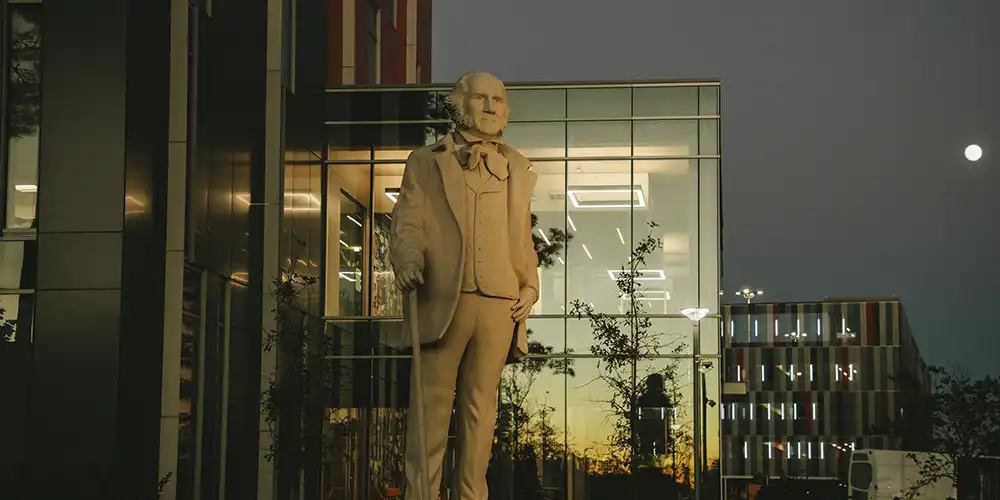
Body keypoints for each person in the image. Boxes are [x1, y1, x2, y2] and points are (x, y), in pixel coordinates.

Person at [390, 71, 539, 500]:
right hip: (442, 296)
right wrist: (408, 259)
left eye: (498, 99)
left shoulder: (516, 165)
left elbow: (521, 236)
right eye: (481, 97)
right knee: (431, 410)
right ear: (459, 105)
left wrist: (530, 284)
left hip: (500, 300)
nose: (491, 106)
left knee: (482, 411)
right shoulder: (425, 160)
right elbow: (409, 220)